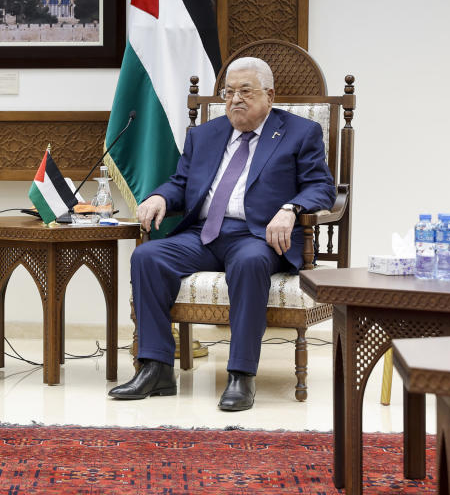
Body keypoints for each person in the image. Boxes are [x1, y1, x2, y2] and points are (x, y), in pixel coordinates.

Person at [108, 57, 335, 411]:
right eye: (228, 92)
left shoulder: (299, 133)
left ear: (269, 95)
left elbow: (323, 188)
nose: (234, 100)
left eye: (245, 91)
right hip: (205, 233)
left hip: (256, 236)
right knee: (148, 256)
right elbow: (181, 184)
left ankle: (241, 376)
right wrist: (158, 195)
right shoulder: (205, 135)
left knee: (248, 262)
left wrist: (290, 209)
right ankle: (156, 367)